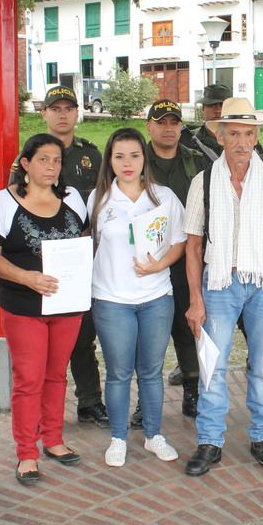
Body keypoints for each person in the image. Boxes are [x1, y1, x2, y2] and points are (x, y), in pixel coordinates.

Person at [183, 97, 263, 477]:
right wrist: (195, 299)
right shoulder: (203, 181)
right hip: (220, 282)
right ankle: (209, 441)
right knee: (212, 365)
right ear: (220, 136)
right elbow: (193, 245)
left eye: (247, 133)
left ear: (256, 137)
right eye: (232, 133)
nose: (240, 141)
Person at [0, 134, 87, 486]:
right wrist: (27, 277)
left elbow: (85, 244)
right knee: (28, 379)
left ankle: (53, 440)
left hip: (67, 305)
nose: (51, 167)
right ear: (25, 164)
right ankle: (26, 451)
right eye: (43, 159)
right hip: (24, 305)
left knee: (57, 374)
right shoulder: (4, 202)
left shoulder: (73, 199)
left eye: (56, 160)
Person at [88, 128, 187, 467]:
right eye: (119, 156)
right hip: (112, 299)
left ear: (144, 158)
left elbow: (178, 242)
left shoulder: (163, 197)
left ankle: (153, 434)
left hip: (156, 297)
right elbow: (92, 246)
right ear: (109, 160)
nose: (127, 163)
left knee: (151, 371)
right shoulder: (99, 199)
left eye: (134, 155)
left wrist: (160, 264)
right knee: (118, 372)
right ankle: (118, 437)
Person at [38, 85, 108, 426]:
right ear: (44, 114)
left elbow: (105, 202)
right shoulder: (32, 153)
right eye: (56, 108)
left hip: (83, 258)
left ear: (77, 113)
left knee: (82, 334)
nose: (63, 114)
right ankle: (39, 408)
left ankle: (90, 401)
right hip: (41, 261)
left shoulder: (93, 156)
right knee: (42, 340)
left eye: (69, 108)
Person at [143, 99, 207, 419]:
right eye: (162, 122)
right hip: (145, 261)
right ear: (149, 126)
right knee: (148, 331)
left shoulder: (197, 162)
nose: (169, 127)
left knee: (187, 326)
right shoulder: (134, 161)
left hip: (187, 259)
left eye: (174, 122)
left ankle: (192, 390)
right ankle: (145, 399)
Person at [180, 84, 232, 161]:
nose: (217, 110)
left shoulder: (243, 140)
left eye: (222, 105)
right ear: (203, 108)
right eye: (212, 105)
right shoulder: (189, 140)